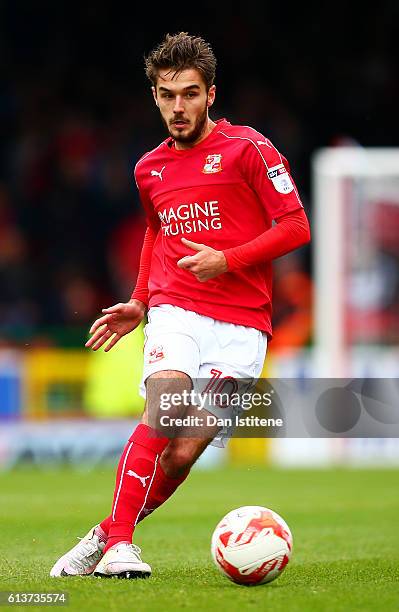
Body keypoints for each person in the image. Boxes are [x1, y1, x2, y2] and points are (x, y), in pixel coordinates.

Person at [50, 32, 310, 579]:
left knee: (185, 451)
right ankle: (122, 545)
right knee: (166, 405)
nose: (177, 107)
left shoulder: (250, 149)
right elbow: (155, 232)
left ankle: (104, 535)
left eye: (189, 94)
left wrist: (229, 259)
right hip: (178, 308)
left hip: (243, 324)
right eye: (166, 95)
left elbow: (296, 226)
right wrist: (140, 301)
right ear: (154, 96)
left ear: (210, 94)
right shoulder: (149, 168)